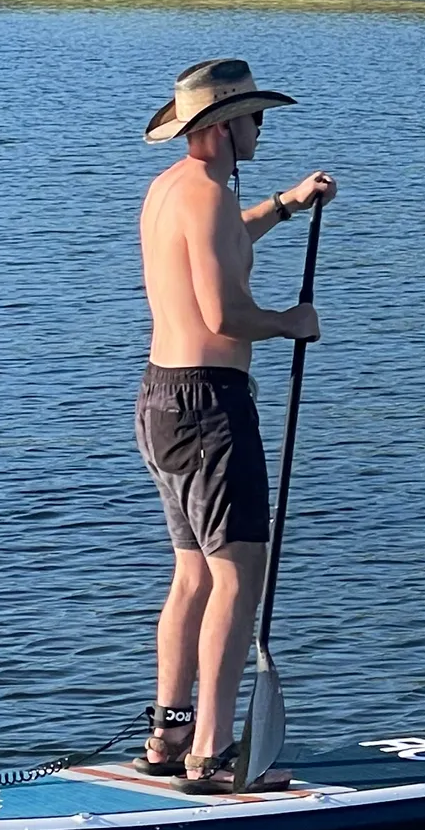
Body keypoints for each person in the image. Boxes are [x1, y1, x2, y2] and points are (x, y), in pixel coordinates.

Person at [133, 57, 336, 791]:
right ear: (220, 127)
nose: (261, 127)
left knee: (191, 574)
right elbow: (223, 314)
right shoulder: (211, 196)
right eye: (253, 116)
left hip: (159, 400)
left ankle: (169, 732)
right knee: (236, 576)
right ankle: (212, 757)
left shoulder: (171, 192)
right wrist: (292, 323)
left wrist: (286, 203)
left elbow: (221, 250)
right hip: (211, 406)